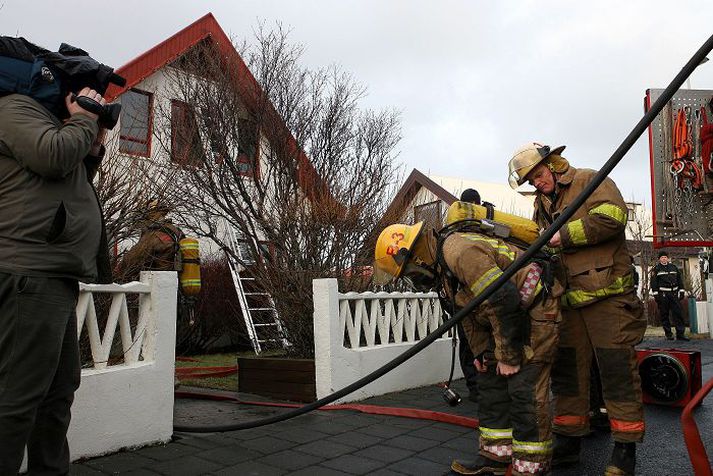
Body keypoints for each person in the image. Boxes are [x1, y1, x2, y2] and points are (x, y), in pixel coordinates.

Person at [374, 213, 562, 476]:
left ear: (414, 258)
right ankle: (496, 457)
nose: (414, 280)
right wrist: (482, 352)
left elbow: (503, 296)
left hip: (534, 310)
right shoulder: (444, 269)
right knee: (489, 383)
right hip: (507, 317)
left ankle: (531, 467)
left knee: (524, 389)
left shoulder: (460, 252)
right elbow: (469, 314)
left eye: (409, 273)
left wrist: (507, 356)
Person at [507, 142, 646, 476]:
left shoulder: (589, 181)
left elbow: (613, 218)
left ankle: (625, 448)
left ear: (554, 165)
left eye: (539, 175)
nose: (537, 184)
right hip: (567, 304)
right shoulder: (541, 203)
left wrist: (562, 235)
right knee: (567, 374)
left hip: (607, 299)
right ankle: (569, 440)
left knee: (616, 371)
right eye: (531, 181)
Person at [0, 88, 111, 474]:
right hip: (29, 271)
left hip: (54, 274)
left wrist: (92, 144)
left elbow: (68, 180)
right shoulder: (13, 107)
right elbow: (53, 158)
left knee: (58, 393)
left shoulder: (48, 123)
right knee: (16, 399)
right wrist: (82, 118)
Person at [117, 199, 185, 281]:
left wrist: (117, 271)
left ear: (154, 213)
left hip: (157, 283)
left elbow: (133, 259)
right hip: (176, 283)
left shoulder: (154, 234)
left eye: (148, 213)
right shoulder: (177, 231)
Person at [456, 188, 481, 403]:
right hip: (475, 297)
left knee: (469, 343)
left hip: (467, 298)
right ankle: (479, 387)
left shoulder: (456, 232)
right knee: (471, 342)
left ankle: (476, 387)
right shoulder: (488, 225)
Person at [650, 250, 689, 341]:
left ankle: (680, 334)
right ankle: (669, 334)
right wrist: (656, 295)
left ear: (668, 258)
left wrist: (682, 291)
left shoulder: (674, 267)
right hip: (663, 295)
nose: (664, 259)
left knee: (678, 314)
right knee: (664, 315)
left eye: (665, 257)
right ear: (659, 259)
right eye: (662, 257)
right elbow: (653, 283)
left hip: (674, 294)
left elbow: (679, 280)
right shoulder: (656, 269)